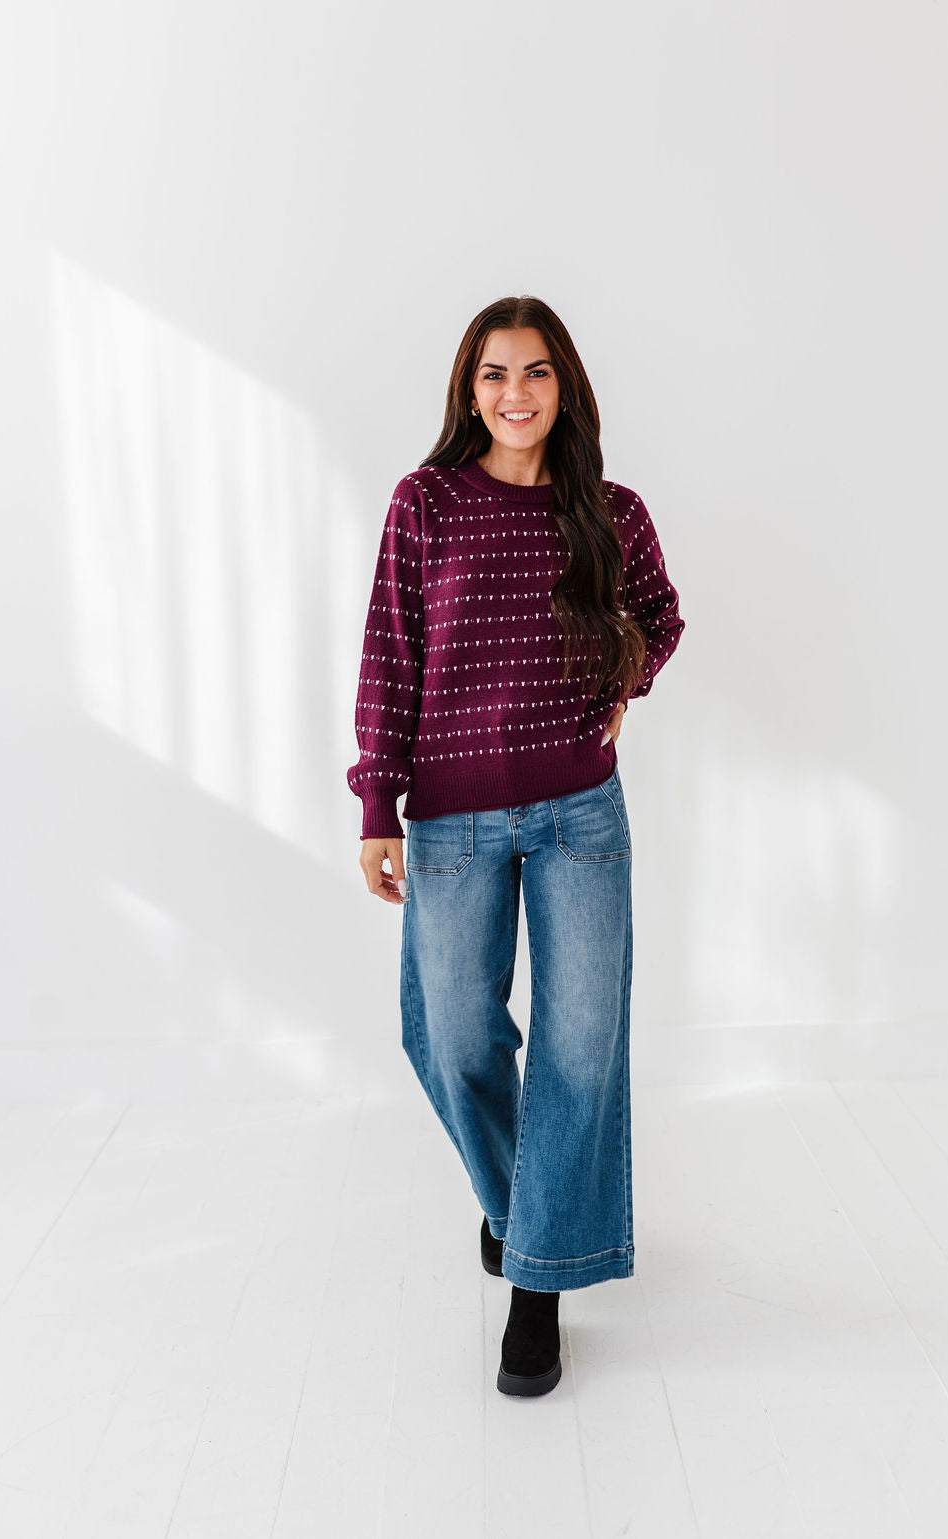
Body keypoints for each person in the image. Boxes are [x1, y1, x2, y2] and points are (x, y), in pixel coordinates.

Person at [347, 295, 685, 1397]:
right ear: (469, 389)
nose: (516, 393)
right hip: (451, 816)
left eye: (536, 371)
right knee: (451, 1038)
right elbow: (391, 650)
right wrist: (376, 802)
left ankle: (535, 1286)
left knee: (580, 1048)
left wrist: (625, 680)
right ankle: (523, 1208)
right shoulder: (426, 502)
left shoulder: (611, 513)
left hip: (580, 810)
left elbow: (660, 616)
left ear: (564, 386)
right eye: (494, 373)